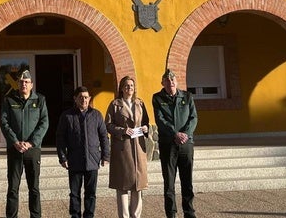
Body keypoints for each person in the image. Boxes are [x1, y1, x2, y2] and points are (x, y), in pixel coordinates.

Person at [0, 69, 49, 218]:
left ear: (31, 85)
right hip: (14, 149)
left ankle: (35, 216)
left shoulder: (40, 100)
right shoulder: (9, 100)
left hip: (32, 150)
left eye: (27, 82)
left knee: (34, 187)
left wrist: (31, 143)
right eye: (21, 82)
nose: (24, 84)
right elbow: (4, 122)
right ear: (18, 84)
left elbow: (44, 123)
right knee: (13, 188)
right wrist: (14, 141)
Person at [56, 86, 110, 218]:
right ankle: (75, 215)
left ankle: (89, 215)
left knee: (91, 193)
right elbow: (60, 138)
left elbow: (104, 136)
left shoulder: (96, 115)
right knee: (74, 194)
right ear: (75, 99)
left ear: (89, 98)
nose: (84, 100)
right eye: (81, 97)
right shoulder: (67, 116)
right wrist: (62, 157)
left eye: (86, 97)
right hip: (74, 160)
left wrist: (106, 156)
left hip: (92, 160)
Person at [152, 69, 198, 218]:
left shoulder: (187, 96)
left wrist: (185, 134)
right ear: (163, 83)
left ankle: (189, 212)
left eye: (172, 80)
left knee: (187, 181)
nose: (170, 82)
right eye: (167, 80)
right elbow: (160, 120)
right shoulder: (158, 98)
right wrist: (174, 134)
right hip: (168, 145)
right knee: (169, 183)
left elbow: (193, 118)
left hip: (186, 144)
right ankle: (171, 213)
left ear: (176, 82)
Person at [105, 75, 150, 218]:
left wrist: (145, 128)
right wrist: (122, 131)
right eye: (126, 85)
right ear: (121, 88)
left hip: (138, 148)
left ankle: (136, 215)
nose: (129, 88)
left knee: (138, 185)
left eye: (131, 85)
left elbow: (146, 122)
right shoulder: (115, 105)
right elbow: (108, 125)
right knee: (122, 185)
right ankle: (124, 216)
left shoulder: (140, 104)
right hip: (122, 148)